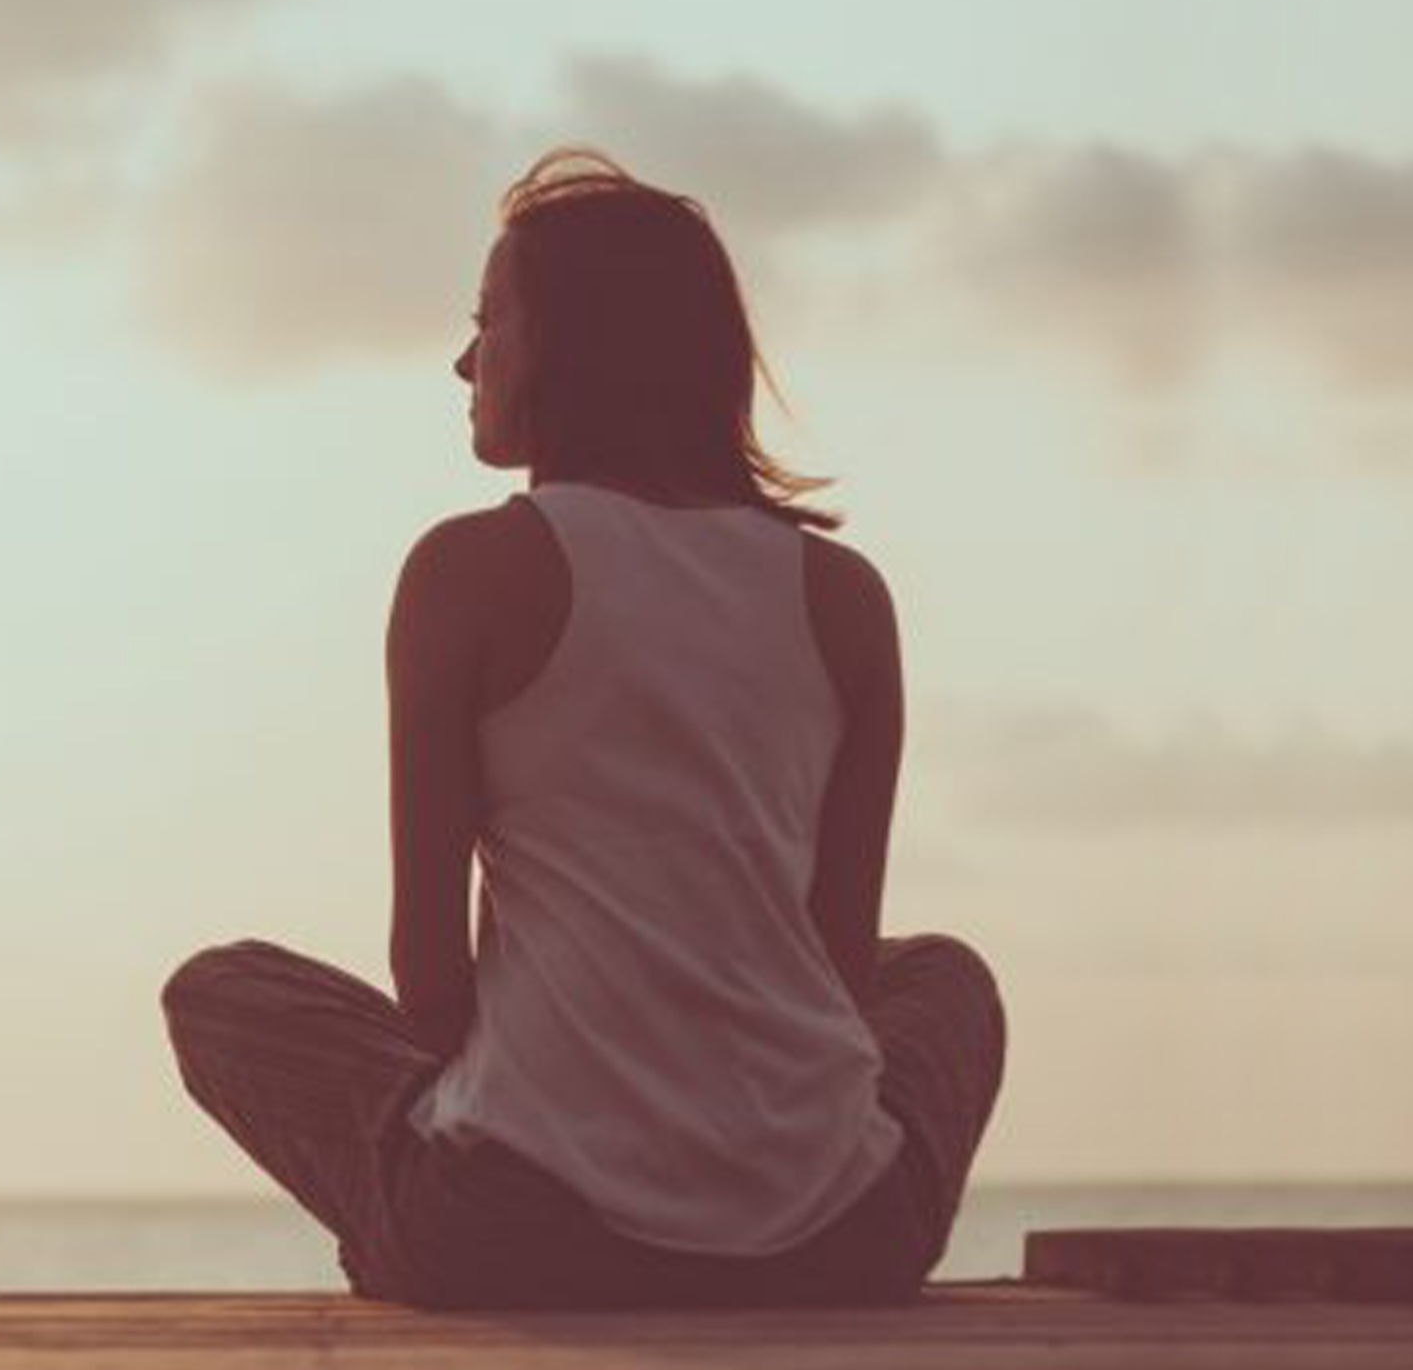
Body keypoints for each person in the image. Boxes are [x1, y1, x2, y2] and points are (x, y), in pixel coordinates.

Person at [160, 146, 1006, 1309]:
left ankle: (420, 1226)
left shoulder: (469, 569)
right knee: (943, 978)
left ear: (573, 347)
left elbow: (429, 982)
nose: (464, 360)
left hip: (520, 1229)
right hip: (839, 1231)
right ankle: (650, 1200)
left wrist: (539, 1107)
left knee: (221, 989)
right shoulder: (844, 596)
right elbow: (839, 966)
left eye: (489, 322)